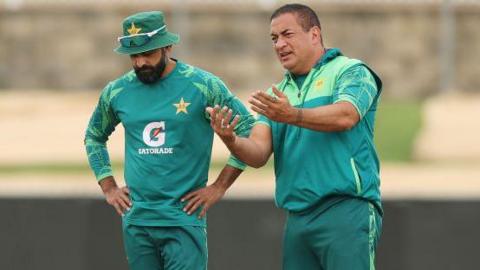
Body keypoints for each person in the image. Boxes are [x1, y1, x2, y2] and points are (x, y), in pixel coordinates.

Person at [208, 3, 383, 270]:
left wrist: (292, 115)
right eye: (274, 38)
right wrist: (230, 139)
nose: (279, 44)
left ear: (314, 34)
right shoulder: (278, 93)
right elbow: (257, 153)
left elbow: (346, 115)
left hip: (346, 210)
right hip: (298, 218)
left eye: (287, 34)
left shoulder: (350, 71)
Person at [84, 11, 254, 270]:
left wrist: (219, 186)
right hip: (137, 221)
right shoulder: (116, 91)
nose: (140, 63)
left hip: (183, 220)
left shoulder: (203, 85)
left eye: (147, 54)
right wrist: (108, 186)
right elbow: (94, 136)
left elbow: (249, 129)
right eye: (134, 56)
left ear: (167, 47)